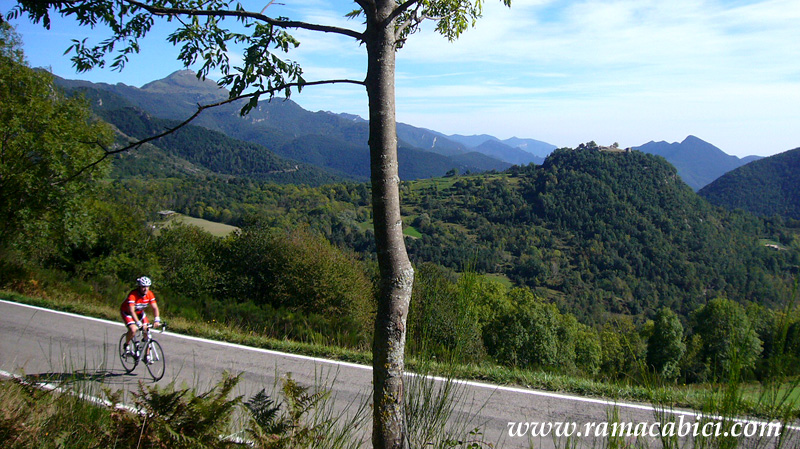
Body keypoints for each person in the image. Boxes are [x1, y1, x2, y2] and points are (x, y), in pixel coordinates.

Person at [121, 276, 161, 355]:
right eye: (143, 287)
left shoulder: (149, 294)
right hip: (127, 313)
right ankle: (127, 345)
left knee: (147, 331)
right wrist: (138, 323)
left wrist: (157, 319)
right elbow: (132, 311)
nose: (145, 289)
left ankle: (147, 355)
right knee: (133, 329)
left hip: (139, 313)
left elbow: (155, 308)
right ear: (139, 287)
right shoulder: (133, 295)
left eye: (147, 287)